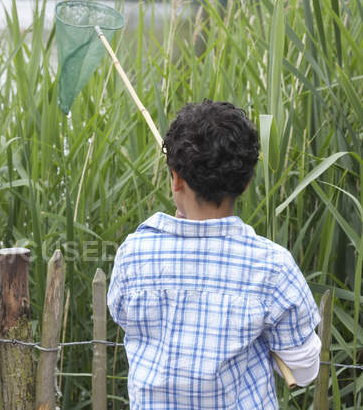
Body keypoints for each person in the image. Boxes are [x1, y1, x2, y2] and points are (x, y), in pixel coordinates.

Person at [107, 100, 321, 409]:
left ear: (177, 179)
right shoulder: (271, 266)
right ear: (246, 183)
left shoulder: (135, 254)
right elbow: (303, 370)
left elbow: (122, 315)